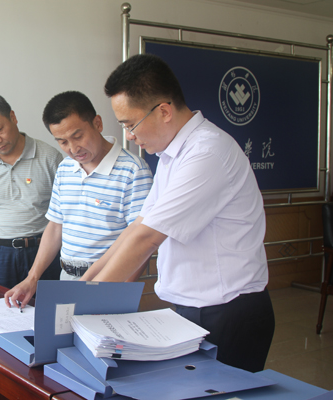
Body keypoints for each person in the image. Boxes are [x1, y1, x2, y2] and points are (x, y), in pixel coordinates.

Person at [81, 54, 275, 373]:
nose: (129, 135)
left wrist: (86, 307)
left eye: (130, 124)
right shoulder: (174, 154)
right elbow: (137, 227)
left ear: (164, 111)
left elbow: (147, 239)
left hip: (228, 312)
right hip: (195, 308)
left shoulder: (207, 152)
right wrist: (84, 285)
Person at [4, 91, 153, 308]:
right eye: (62, 142)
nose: (73, 149)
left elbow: (140, 241)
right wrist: (32, 278)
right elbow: (56, 226)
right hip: (66, 277)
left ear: (97, 123)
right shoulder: (65, 168)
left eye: (78, 136)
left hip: (110, 280)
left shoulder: (133, 170)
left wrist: (121, 291)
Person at [0, 94, 63, 289]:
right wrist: (1, 240)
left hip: (44, 250)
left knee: (47, 306)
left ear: (13, 117)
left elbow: (65, 212)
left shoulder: (50, 158)